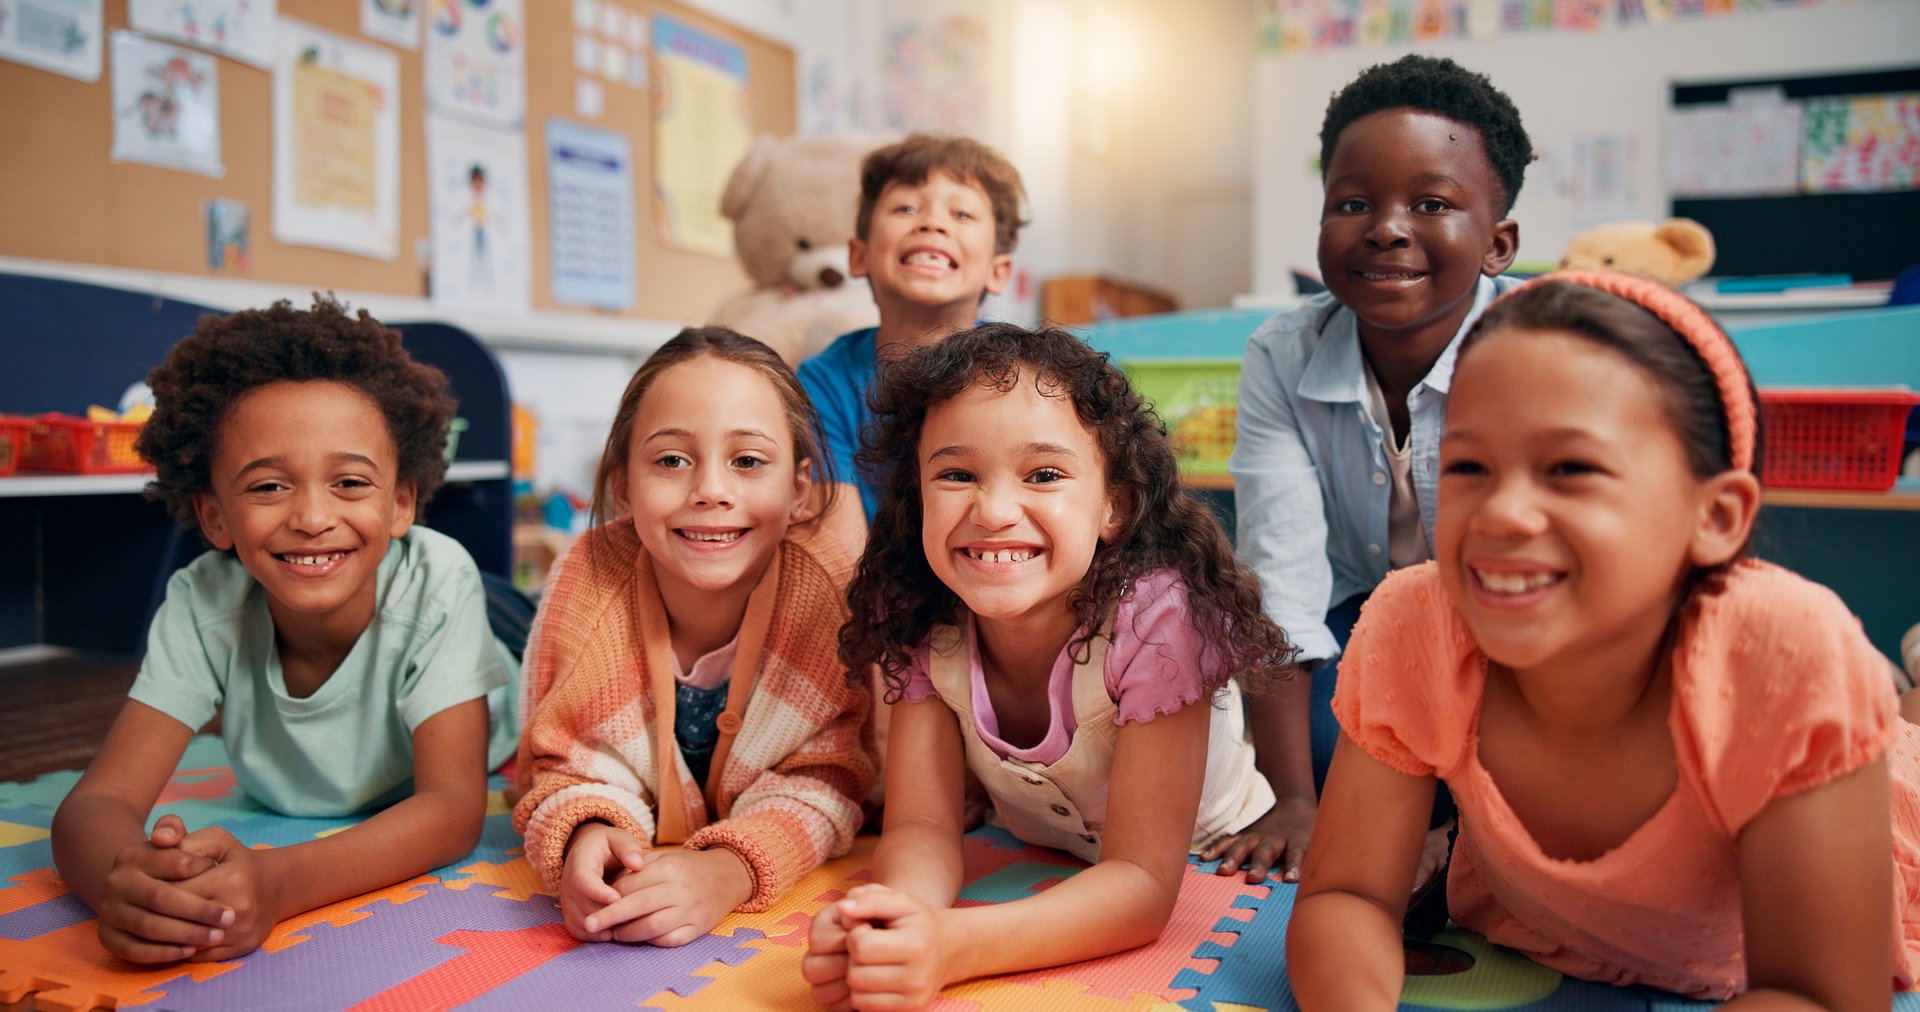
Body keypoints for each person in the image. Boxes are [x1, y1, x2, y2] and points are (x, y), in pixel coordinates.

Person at [1289, 271, 1920, 1009]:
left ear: (1714, 517)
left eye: (1570, 468)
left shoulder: (1786, 654)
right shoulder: (1417, 624)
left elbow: (1815, 994)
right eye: (1469, 466)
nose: (1503, 513)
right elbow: (1348, 898)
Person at [802, 324, 1299, 1007]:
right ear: (917, 496)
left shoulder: (1157, 621)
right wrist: (889, 920)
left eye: (1043, 475)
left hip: (1213, 863)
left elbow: (1142, 885)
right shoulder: (919, 611)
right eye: (956, 474)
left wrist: (948, 947)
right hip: (1034, 852)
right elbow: (921, 826)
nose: (995, 511)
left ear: (1112, 506)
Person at [51, 298, 520, 963]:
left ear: (402, 503)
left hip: (498, 639)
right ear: (214, 516)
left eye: (350, 482)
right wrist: (135, 893)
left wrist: (275, 884)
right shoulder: (203, 602)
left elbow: (451, 808)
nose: (311, 516)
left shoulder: (437, 579)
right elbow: (95, 803)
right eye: (269, 487)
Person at [1217, 53, 1531, 887]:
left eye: (1431, 204)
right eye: (1353, 203)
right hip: (1363, 613)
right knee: (1333, 749)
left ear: (1499, 243)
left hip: (1521, 622)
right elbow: (1278, 577)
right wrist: (1292, 801)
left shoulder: (1541, 350)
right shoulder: (1284, 354)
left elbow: (1543, 576)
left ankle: (1471, 826)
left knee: (1515, 746)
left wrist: (1467, 820)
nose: (1387, 228)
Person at [512, 327, 876, 948]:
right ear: (623, 483)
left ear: (797, 487)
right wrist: (586, 832)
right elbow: (556, 762)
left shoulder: (826, 589)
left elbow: (833, 778)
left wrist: (729, 871)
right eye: (672, 460)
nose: (711, 489)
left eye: (748, 461)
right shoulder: (587, 577)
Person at [798, 133, 1027, 556]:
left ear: (998, 270)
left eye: (961, 213)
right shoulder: (822, 382)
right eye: (905, 208)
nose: (932, 223)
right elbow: (839, 553)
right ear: (858, 255)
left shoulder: (1024, 381)